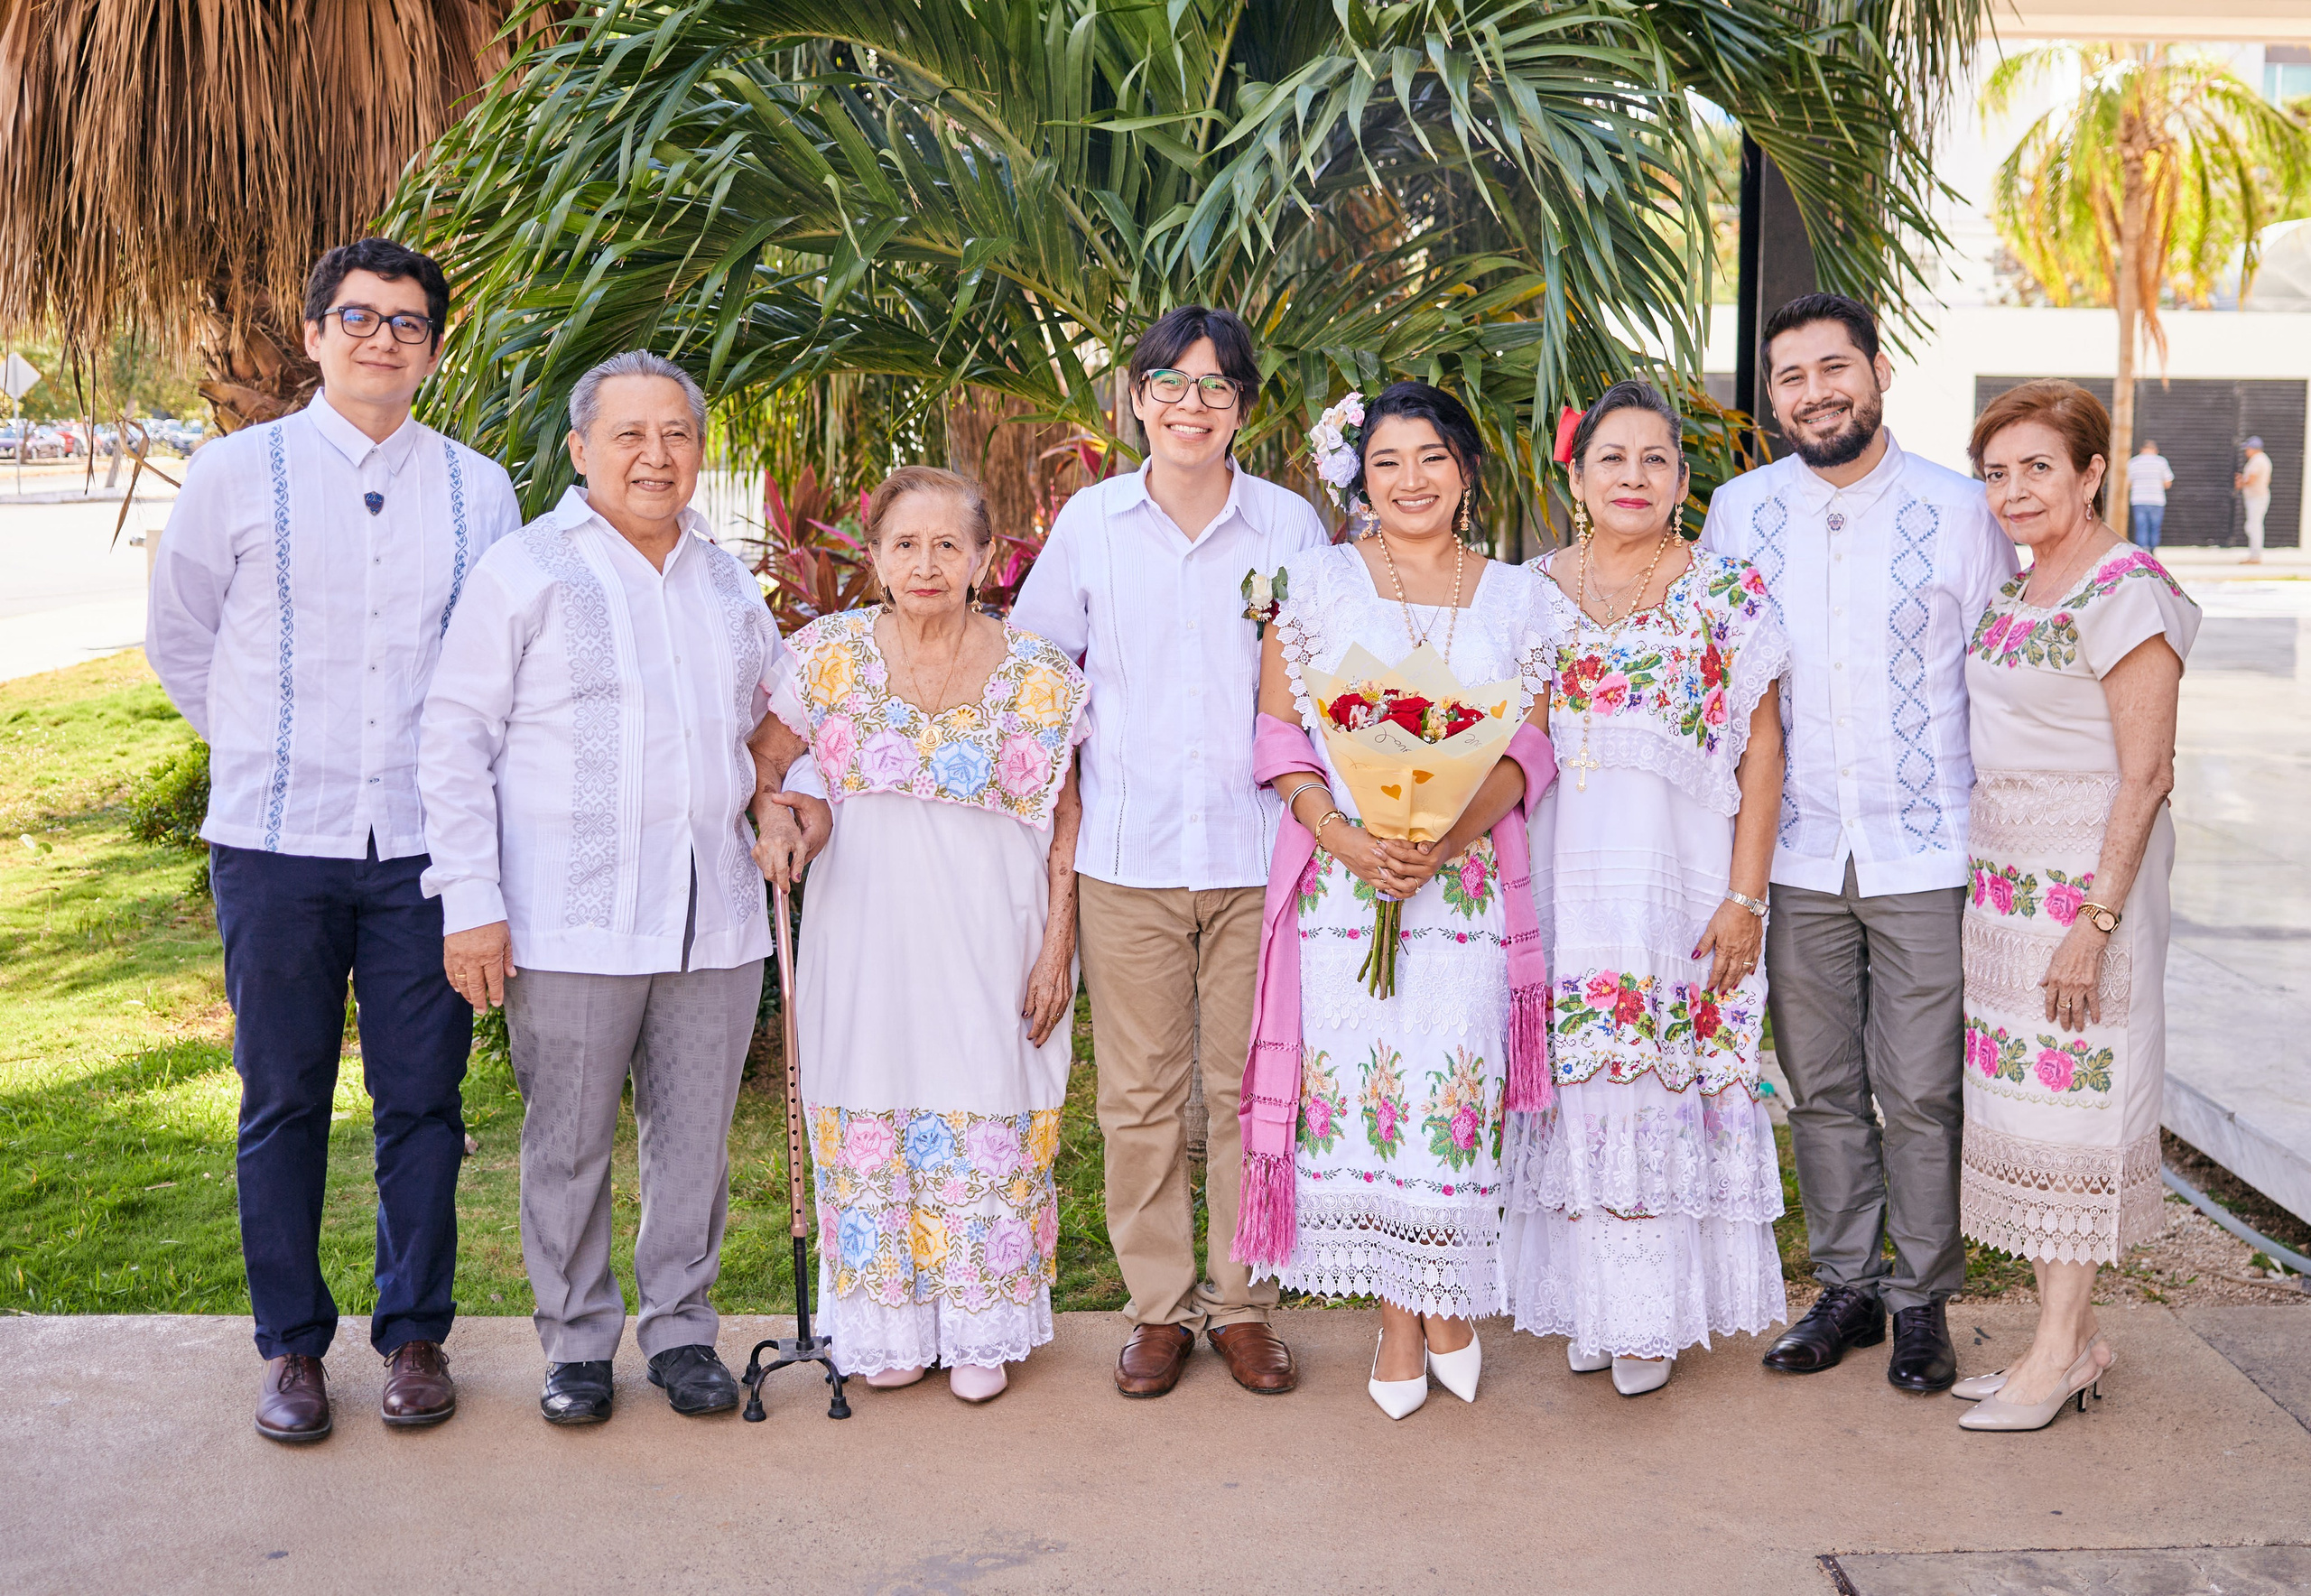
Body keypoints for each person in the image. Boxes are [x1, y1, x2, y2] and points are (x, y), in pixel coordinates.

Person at [145, 238, 522, 1443]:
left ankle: (414, 1336)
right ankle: (292, 1351)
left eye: (407, 324)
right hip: (274, 841)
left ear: (433, 350)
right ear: (313, 334)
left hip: (423, 846)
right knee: (283, 1097)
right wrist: (264, 741)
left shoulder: (481, 489)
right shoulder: (232, 474)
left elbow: (489, 673)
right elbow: (182, 638)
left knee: (422, 1099)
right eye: (357, 318)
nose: (381, 340)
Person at [418, 350, 826, 1426]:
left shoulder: (729, 581)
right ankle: (578, 1342)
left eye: (676, 434)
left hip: (717, 917)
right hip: (570, 914)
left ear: (699, 450)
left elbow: (782, 725)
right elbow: (453, 742)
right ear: (579, 450)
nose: (656, 456)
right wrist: (472, 900)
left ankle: (683, 1331)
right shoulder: (525, 571)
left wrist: (792, 799)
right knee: (569, 1142)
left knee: (692, 1143)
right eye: (630, 436)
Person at [1700, 293, 2018, 1396]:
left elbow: (2003, 677)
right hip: (1792, 853)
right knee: (1820, 1081)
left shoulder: (1960, 509)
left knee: (1922, 1088)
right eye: (1790, 377)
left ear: (1877, 374)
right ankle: (1846, 1284)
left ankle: (1922, 1295)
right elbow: (1725, 685)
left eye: (1833, 368)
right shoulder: (1738, 514)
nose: (1813, 392)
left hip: (1925, 848)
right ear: (1772, 397)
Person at [1013, 305, 1326, 1398]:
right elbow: (1038, 682)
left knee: (1249, 1091)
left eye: (1215, 386)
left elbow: (1324, 687)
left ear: (1244, 407)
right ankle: (1157, 1310)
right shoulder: (1090, 525)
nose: (1192, 404)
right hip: (1126, 855)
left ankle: (1244, 1307)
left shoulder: (1290, 530)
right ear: (1137, 397)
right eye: (1171, 383)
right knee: (1139, 1097)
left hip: (1258, 856)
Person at [1234, 381, 1555, 1420]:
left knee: (1446, 1093)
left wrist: (1447, 833)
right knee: (1370, 1104)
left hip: (1460, 890)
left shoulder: (1519, 598)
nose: (1409, 480)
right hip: (1346, 885)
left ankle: (1445, 1298)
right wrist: (1350, 837)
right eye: (1386, 462)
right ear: (1359, 479)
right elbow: (1282, 740)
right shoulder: (1317, 584)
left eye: (1430, 457)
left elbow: (1526, 746)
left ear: (1465, 469)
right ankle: (1398, 1312)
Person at [773, 466, 1089, 1405]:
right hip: (863, 937)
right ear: (873, 556)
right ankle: (890, 1326)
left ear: (984, 559)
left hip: (994, 932)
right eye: (905, 544)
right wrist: (780, 817)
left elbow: (1067, 817)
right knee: (875, 1106)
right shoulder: (823, 657)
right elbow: (768, 765)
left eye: (948, 544)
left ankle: (981, 1324)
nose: (925, 563)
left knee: (988, 1102)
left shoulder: (1040, 672)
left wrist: (1055, 945)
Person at [1502, 380, 1789, 1396]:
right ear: (1575, 479)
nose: (1633, 476)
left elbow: (1762, 760)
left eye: (1655, 460)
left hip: (1678, 892)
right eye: (1611, 458)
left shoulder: (1724, 595)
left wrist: (1744, 897)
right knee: (1574, 1088)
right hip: (1559, 885)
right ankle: (1591, 1302)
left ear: (1681, 481)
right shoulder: (1527, 591)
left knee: (1656, 1087)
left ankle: (1648, 1318)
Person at [1953, 381, 2197, 1432]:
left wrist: (2092, 926)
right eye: (1997, 473)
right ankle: (2064, 1339)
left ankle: (2057, 1355)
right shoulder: (2016, 589)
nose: (2014, 491)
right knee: (2028, 1116)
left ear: (2093, 472)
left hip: (2083, 896)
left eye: (2037, 467)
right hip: (2005, 890)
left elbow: (2145, 775)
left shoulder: (2124, 587)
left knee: (2075, 1111)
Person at [2124, 440, 2172, 552]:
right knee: (2155, 527)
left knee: (2141, 527)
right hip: (2156, 500)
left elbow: (2128, 483)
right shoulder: (2161, 462)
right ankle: (2152, 550)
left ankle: (2143, 552)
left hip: (2139, 499)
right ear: (2155, 450)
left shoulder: (2133, 462)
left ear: (2141, 450)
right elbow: (2168, 483)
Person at [2236, 436, 2272, 564]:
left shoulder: (2257, 460)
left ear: (2253, 449)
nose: (2246, 452)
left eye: (2248, 449)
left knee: (2253, 526)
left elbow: (2251, 479)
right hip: (2258, 496)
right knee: (2253, 526)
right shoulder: (2264, 460)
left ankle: (2255, 556)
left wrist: (2241, 482)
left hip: (2256, 498)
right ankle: (2254, 554)